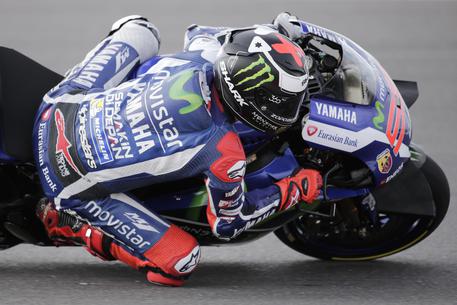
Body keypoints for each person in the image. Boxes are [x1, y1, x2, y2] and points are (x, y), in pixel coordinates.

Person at [33, 13, 322, 286]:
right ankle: (69, 224)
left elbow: (200, 31)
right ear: (253, 99)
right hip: (68, 178)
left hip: (59, 106)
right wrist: (294, 190)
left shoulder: (206, 54)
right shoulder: (224, 151)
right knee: (179, 262)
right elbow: (229, 225)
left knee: (139, 28)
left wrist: (275, 40)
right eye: (282, 100)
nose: (287, 108)